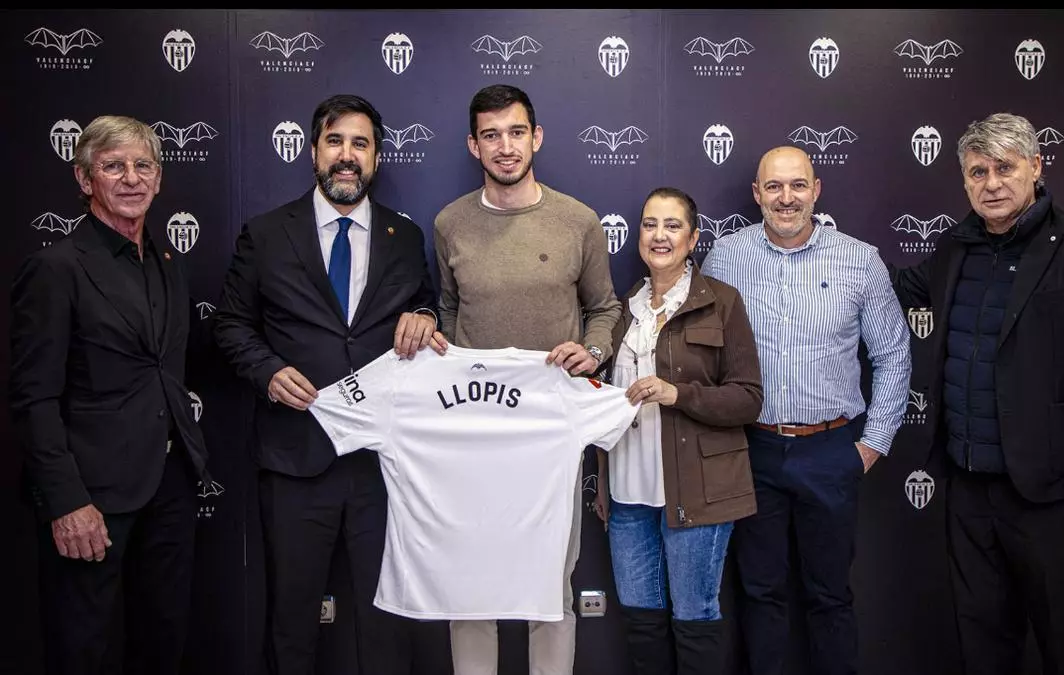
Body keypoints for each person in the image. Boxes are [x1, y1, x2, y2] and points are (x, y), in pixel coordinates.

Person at [890, 112, 1064, 675]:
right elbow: (895, 284)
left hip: (1050, 495)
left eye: (1004, 168)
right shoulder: (955, 246)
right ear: (964, 180)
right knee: (982, 643)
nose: (992, 184)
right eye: (978, 172)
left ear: (1035, 166)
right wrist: (817, 248)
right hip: (967, 485)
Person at [213, 94, 443, 675]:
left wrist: (427, 316)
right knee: (291, 621)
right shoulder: (267, 234)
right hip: (295, 457)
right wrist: (267, 372)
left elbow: (424, 306)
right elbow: (231, 324)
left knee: (387, 622)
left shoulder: (404, 236)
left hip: (383, 465)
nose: (347, 155)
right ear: (313, 151)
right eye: (335, 141)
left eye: (360, 144)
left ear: (377, 156)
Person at [9, 115, 210, 675]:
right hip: (91, 497)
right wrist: (67, 502)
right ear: (84, 178)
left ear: (159, 179)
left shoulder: (168, 262)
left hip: (169, 486)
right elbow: (33, 398)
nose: (131, 178)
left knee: (163, 643)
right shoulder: (56, 269)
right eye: (113, 166)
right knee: (84, 650)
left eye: (143, 165)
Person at [433, 83, 622, 675]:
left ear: (536, 137)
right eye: (491, 135)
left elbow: (605, 309)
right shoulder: (449, 223)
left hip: (552, 431)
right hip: (472, 432)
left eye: (516, 132)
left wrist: (593, 351)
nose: (505, 146)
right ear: (474, 145)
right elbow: (447, 311)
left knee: (550, 580)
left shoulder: (578, 221)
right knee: (470, 582)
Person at [702, 146, 911, 675]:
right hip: (753, 449)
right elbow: (703, 352)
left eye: (798, 185)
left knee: (830, 594)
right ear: (757, 194)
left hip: (831, 449)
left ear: (816, 190)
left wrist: (871, 445)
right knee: (760, 592)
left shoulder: (860, 260)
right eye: (774, 186)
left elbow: (892, 354)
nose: (786, 198)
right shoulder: (725, 257)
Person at [592, 187, 762, 675]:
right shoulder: (623, 309)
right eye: (649, 224)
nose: (659, 235)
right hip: (628, 494)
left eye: (672, 225)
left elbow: (748, 398)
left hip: (696, 492)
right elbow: (604, 402)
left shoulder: (722, 303)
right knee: (642, 624)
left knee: (694, 619)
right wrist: (603, 483)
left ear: (692, 239)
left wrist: (678, 393)